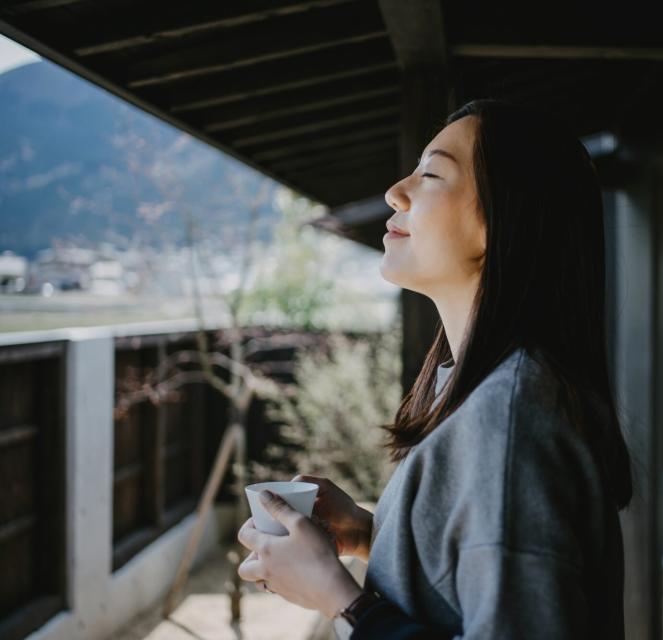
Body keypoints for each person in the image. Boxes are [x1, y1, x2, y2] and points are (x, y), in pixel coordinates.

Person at [237, 98, 638, 638]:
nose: (395, 191)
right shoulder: (483, 390)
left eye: (430, 174)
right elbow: (469, 587)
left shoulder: (509, 419)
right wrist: (372, 534)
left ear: (502, 220)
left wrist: (341, 599)